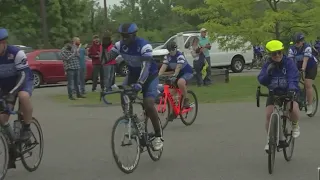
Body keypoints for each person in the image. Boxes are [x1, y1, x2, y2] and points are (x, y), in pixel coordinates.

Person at [100, 23, 163, 150]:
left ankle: (158, 136)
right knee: (124, 95)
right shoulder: (120, 45)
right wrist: (104, 47)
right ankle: (133, 123)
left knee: (148, 104)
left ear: (134, 35)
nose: (124, 39)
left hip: (149, 75)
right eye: (122, 36)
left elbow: (146, 67)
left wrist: (140, 84)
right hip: (133, 74)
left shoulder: (144, 46)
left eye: (127, 36)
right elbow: (104, 60)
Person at [258, 40, 300, 152]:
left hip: (288, 92)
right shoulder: (267, 65)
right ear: (270, 55)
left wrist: (292, 89)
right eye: (274, 53)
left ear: (282, 52)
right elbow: (262, 80)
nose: (277, 55)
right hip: (274, 93)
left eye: (279, 52)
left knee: (293, 110)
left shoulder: (289, 63)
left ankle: (295, 125)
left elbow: (293, 77)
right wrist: (268, 73)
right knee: (268, 115)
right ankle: (269, 140)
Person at [0, 28, 34, 168]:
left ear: (4, 43)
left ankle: (26, 127)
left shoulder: (16, 53)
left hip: (22, 81)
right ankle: (11, 147)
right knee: (2, 119)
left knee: (23, 96)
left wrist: (12, 94)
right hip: (4, 86)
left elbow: (23, 75)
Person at [288, 33, 318, 115]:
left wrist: (303, 69)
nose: (296, 44)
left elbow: (305, 60)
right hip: (298, 65)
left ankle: (310, 105)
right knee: (293, 82)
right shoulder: (292, 49)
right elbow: (291, 62)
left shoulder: (307, 47)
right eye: (295, 42)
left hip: (310, 65)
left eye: (298, 42)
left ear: (302, 42)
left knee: (308, 83)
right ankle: (299, 98)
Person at [158, 41, 193, 107]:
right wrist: (158, 75)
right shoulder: (167, 57)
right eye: (169, 50)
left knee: (180, 83)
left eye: (172, 49)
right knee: (170, 92)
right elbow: (163, 67)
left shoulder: (180, 55)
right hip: (177, 73)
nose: (171, 51)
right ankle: (174, 111)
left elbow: (178, 67)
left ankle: (186, 99)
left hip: (186, 72)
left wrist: (174, 75)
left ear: (175, 48)